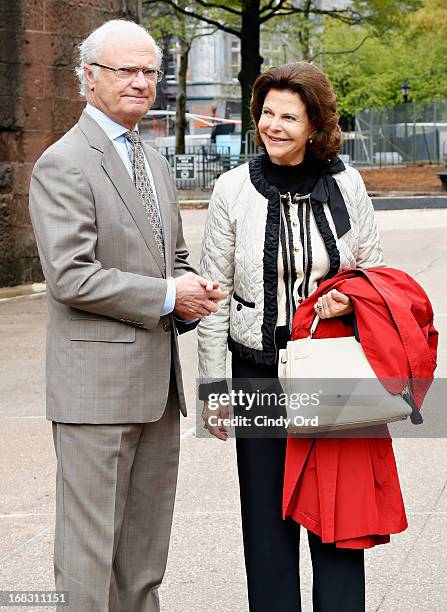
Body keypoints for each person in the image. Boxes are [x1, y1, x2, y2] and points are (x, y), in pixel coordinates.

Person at [29, 19, 226, 612]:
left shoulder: (151, 159)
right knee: (89, 562)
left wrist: (195, 286)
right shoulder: (63, 163)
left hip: (157, 391)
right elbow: (70, 275)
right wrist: (169, 295)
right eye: (126, 71)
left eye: (150, 71)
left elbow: (172, 256)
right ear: (89, 79)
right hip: (95, 394)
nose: (142, 83)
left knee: (143, 560)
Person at [198, 62, 407, 611]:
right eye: (267, 113)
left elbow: (376, 273)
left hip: (332, 371)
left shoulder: (347, 183)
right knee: (265, 522)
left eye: (289, 116)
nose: (274, 125)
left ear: (315, 124)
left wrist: (350, 296)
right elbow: (214, 295)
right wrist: (213, 387)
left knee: (337, 516)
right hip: (257, 372)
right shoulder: (231, 189)